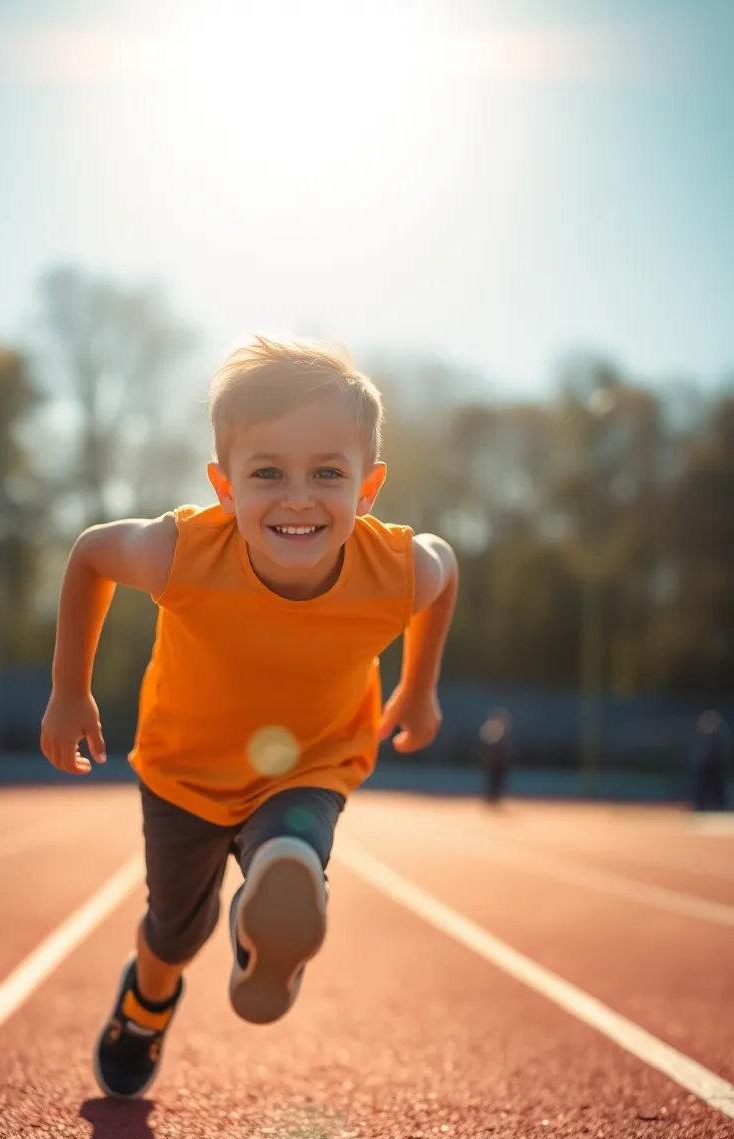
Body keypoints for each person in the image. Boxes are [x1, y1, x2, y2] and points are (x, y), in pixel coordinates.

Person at [40, 336, 459, 1099]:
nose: (297, 497)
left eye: (327, 474)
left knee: (292, 845)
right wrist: (70, 689)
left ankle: (275, 899)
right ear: (224, 486)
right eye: (268, 473)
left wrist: (420, 686)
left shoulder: (393, 570)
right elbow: (93, 553)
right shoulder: (184, 552)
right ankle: (149, 999)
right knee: (174, 931)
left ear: (368, 488)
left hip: (309, 764)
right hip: (183, 773)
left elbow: (447, 564)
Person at [690, 710, 729, 812]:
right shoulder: (700, 739)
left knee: (718, 792)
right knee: (701, 792)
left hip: (715, 768)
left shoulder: (718, 739)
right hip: (704, 768)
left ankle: (719, 807)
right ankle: (700, 807)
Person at [479, 708, 513, 805]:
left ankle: (494, 797)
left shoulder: (498, 728)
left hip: (499, 761)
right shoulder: (495, 728)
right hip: (495, 761)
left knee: (497, 780)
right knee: (493, 780)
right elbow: (489, 744)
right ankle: (491, 797)